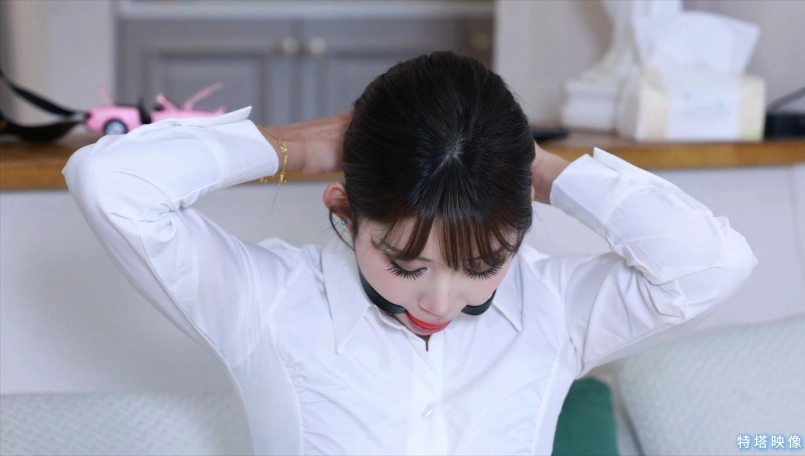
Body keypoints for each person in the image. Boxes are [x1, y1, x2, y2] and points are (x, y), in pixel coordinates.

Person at [63, 51, 757, 455]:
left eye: (483, 265)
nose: (440, 301)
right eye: (404, 264)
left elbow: (711, 264)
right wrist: (302, 145)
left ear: (520, 230)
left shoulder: (558, 311)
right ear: (345, 210)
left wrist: (534, 167)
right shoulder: (265, 302)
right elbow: (110, 184)